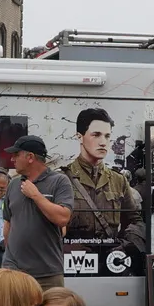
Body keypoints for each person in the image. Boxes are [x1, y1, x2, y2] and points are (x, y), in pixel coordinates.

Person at [63, 108, 144, 270]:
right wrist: (64, 247)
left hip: (111, 261)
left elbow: (136, 220)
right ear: (80, 137)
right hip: (73, 263)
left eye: (107, 136)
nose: (103, 142)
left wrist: (126, 245)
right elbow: (47, 226)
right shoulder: (62, 179)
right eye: (96, 135)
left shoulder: (118, 180)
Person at [2, 135, 74, 290]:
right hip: (14, 273)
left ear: (30, 157)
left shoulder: (59, 181)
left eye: (16, 154)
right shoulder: (13, 184)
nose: (12, 159)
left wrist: (36, 195)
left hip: (47, 274)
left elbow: (63, 218)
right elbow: (8, 224)